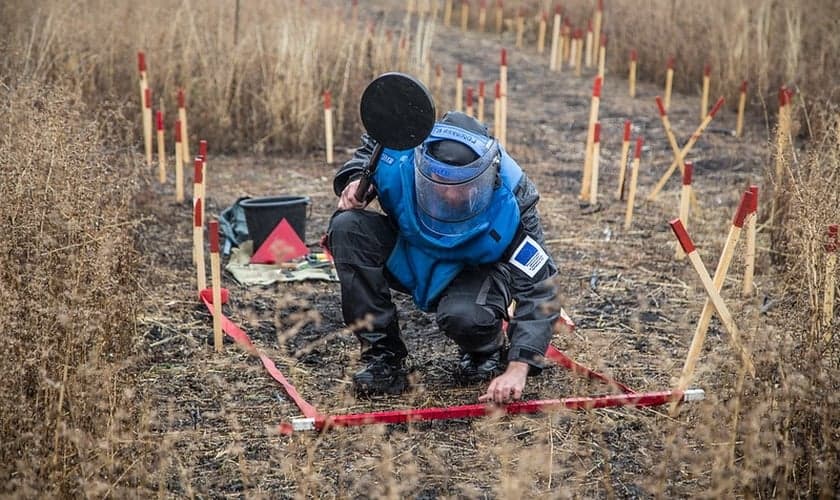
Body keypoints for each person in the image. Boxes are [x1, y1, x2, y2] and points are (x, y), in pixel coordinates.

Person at [325, 111, 559, 404]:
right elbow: (370, 149)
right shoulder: (398, 158)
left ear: (488, 177)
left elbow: (541, 285)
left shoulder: (512, 200)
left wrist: (518, 366)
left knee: (465, 317)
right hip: (411, 253)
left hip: (473, 270)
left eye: (461, 187)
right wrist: (357, 179)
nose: (449, 195)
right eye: (438, 181)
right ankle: (381, 357)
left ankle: (484, 349)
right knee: (348, 226)